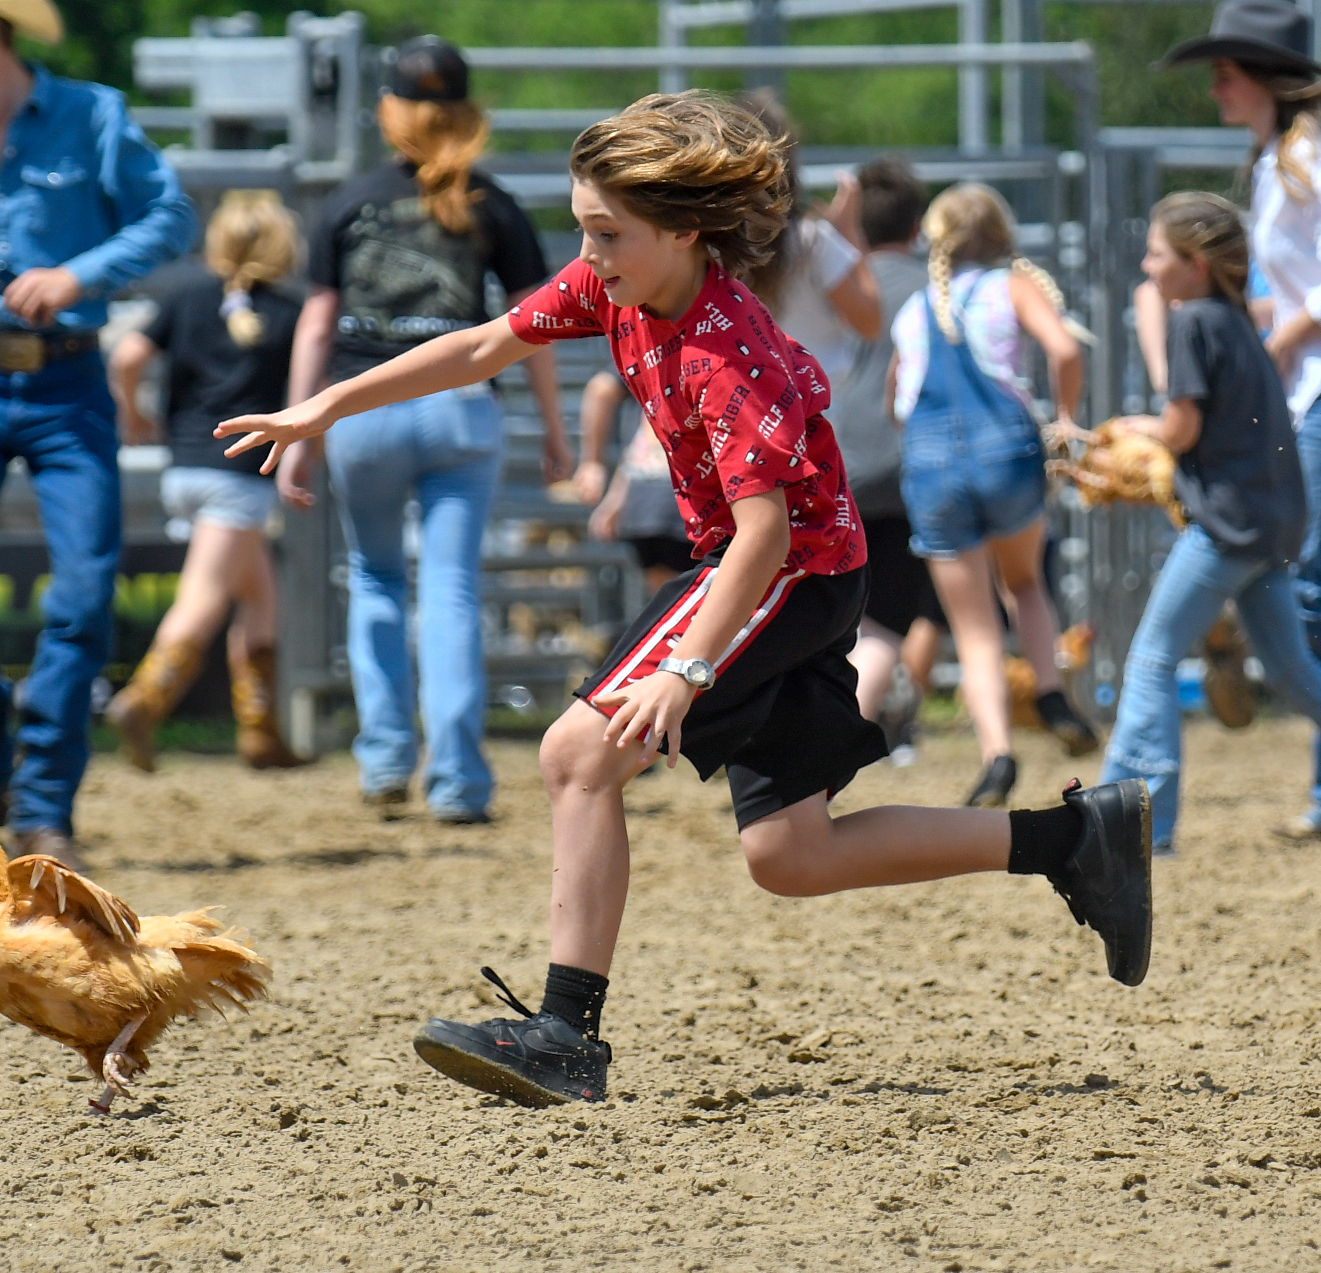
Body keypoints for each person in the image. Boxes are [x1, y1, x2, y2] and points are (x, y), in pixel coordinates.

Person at [215, 92, 1154, 1107]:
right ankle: (1075, 839)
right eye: (585, 229)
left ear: (683, 229)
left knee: (574, 755)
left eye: (607, 232)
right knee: (791, 855)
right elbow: (486, 346)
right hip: (805, 575)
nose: (591, 252)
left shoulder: (723, 351)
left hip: (782, 573)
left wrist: (686, 667)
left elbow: (764, 535)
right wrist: (325, 404)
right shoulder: (619, 284)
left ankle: (565, 1032)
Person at [0, 0, 199, 863]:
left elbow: (171, 218)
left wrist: (76, 274)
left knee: (86, 593)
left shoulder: (94, 115)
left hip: (69, 382)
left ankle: (45, 798)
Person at [276, 36, 572, 824]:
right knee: (449, 588)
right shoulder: (492, 201)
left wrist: (299, 430)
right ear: (468, 112)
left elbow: (315, 328)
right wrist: (553, 428)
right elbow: (530, 323)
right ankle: (460, 782)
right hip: (461, 409)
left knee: (374, 580)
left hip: (362, 406)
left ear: (388, 111)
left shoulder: (346, 202)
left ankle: (383, 760)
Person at [1098, 193, 1321, 855]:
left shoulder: (1192, 320)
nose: (1147, 263)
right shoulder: (1234, 320)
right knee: (1295, 676)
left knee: (1150, 659)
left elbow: (1182, 426)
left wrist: (1141, 428)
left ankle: (1134, 824)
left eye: (1157, 253)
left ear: (1193, 264)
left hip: (1225, 528)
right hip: (1270, 525)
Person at [1158, 0, 1321, 837]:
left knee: (1311, 584)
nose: (1216, 83)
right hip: (1296, 390)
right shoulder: (1273, 160)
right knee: (1297, 584)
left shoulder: (1307, 155)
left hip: (1315, 385)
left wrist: (1287, 333)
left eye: (1226, 68)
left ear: (1262, 76)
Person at [890, 183, 1099, 808]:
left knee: (973, 628)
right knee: (1026, 583)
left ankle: (997, 757)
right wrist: (1065, 416)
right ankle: (1052, 691)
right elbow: (1063, 347)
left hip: (930, 462)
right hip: (1005, 450)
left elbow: (899, 400)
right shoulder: (1013, 286)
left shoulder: (915, 307)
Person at [106, 191, 306, 773]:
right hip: (239, 477)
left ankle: (260, 731)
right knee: (203, 600)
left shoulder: (186, 297)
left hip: (188, 467)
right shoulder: (289, 312)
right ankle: (144, 701)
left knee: (260, 598)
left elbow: (126, 357)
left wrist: (135, 414)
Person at [828, 157, 943, 743]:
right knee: (900, 619)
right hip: (907, 470)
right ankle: (868, 725)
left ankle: (869, 717)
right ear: (916, 225)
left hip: (837, 468)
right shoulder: (931, 290)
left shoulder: (837, 284)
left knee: (857, 619)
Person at [740, 91, 881, 392]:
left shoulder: (704, 242)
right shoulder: (812, 241)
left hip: (744, 409)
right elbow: (870, 321)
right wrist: (849, 231)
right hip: (814, 412)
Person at [576, 370, 695, 597]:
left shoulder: (646, 346)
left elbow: (601, 389)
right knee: (685, 604)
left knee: (673, 602)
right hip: (684, 495)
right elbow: (602, 389)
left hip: (645, 493)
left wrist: (599, 471)